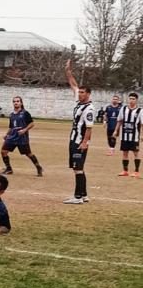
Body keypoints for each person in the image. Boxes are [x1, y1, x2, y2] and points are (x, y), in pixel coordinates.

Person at [63, 59, 94, 204]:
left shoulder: (89, 109)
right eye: (79, 92)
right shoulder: (79, 102)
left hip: (78, 141)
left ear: (88, 94)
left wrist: (84, 142)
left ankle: (77, 197)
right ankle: (84, 194)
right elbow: (73, 83)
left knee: (77, 168)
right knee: (79, 168)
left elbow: (89, 128)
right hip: (74, 139)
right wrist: (68, 70)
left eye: (82, 92)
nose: (79, 94)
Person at [0, 96, 44, 176]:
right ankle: (9, 169)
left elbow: (32, 124)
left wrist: (24, 130)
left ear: (21, 103)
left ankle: (38, 167)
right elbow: (11, 127)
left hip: (22, 138)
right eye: (14, 101)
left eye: (18, 101)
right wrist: (6, 134)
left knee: (28, 154)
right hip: (12, 137)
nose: (16, 103)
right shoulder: (11, 115)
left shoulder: (25, 113)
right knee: (3, 151)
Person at [113, 92, 143, 177]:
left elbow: (141, 124)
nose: (131, 100)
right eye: (130, 99)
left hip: (134, 136)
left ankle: (136, 171)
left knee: (136, 153)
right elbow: (119, 120)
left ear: (136, 100)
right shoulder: (123, 109)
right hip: (124, 135)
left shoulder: (140, 111)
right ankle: (125, 171)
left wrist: (141, 135)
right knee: (125, 153)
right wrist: (116, 131)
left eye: (133, 99)